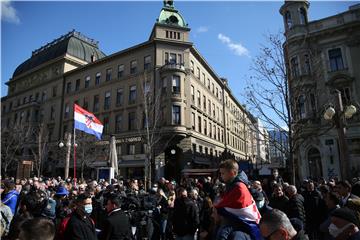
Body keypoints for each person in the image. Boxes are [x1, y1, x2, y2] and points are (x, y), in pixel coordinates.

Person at [214, 159, 261, 240]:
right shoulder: (232, 184)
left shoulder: (239, 187)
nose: (221, 176)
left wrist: (217, 207)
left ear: (233, 173)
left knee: (222, 233)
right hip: (236, 221)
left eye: (223, 173)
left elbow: (224, 204)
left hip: (241, 222)